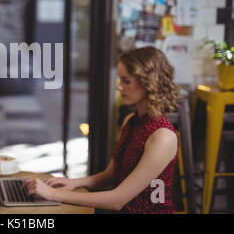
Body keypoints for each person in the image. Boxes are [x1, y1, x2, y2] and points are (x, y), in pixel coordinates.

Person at [22, 46, 179, 214]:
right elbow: (111, 175)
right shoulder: (131, 121)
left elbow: (117, 200)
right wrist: (75, 183)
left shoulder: (163, 137)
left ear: (149, 83)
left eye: (126, 81)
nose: (119, 87)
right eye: (120, 80)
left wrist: (53, 194)